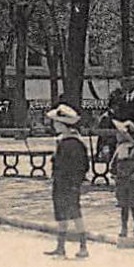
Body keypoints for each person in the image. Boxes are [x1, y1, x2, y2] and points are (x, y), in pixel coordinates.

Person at [46, 104, 90, 258]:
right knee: (62, 214)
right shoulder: (63, 141)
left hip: (70, 184)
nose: (54, 125)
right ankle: (60, 246)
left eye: (56, 122)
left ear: (62, 124)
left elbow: (81, 166)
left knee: (75, 214)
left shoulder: (74, 143)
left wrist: (75, 183)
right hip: (60, 182)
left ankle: (83, 246)